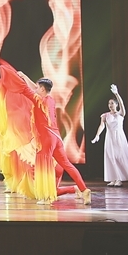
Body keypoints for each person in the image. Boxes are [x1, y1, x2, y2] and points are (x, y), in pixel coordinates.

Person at [15, 71, 91, 205]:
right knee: (67, 165)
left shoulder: (38, 99)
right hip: (56, 137)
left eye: (38, 87)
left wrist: (15, 77)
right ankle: (84, 190)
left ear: (42, 89)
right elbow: (34, 88)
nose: (35, 89)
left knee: (43, 166)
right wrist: (25, 76)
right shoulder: (50, 100)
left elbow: (26, 89)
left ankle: (46, 198)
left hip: (46, 138)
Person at [91, 84, 128, 187]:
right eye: (109, 103)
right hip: (110, 138)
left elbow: (122, 104)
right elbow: (102, 125)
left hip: (119, 138)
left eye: (112, 103)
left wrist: (116, 94)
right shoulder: (105, 115)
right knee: (110, 157)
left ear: (116, 104)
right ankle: (113, 178)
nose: (110, 105)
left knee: (119, 157)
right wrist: (97, 135)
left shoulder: (120, 114)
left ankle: (119, 178)